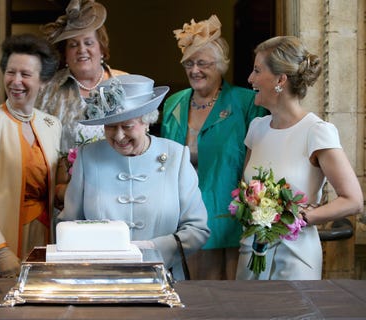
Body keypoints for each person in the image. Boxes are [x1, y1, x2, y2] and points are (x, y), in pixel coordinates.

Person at [59, 74, 210, 280]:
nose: (119, 136)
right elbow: (69, 225)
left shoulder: (177, 157)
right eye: (110, 126)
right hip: (100, 280)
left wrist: (152, 250)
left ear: (147, 121)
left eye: (127, 126)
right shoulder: (88, 157)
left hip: (162, 278)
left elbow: (197, 230)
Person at [237, 36, 364, 280]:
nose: (250, 79)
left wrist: (301, 216)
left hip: (294, 258)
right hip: (251, 252)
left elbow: (353, 200)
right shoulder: (257, 128)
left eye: (256, 70)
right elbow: (245, 191)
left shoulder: (316, 131)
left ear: (280, 80)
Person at [161, 15, 268, 280]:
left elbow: (259, 160)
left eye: (202, 63)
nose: (194, 70)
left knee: (224, 296)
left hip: (228, 217)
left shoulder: (246, 102)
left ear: (220, 66)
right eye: (189, 63)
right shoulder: (174, 103)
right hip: (182, 216)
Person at [0, 34, 61, 278]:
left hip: (45, 243)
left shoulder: (52, 125)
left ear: (44, 81)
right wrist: (0, 250)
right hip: (0, 249)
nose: (16, 81)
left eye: (25, 75)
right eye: (10, 72)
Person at [37, 0, 127, 208]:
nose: (81, 50)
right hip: (63, 198)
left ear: (102, 48)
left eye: (88, 42)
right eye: (73, 44)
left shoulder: (125, 84)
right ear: (66, 53)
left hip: (118, 195)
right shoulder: (48, 90)